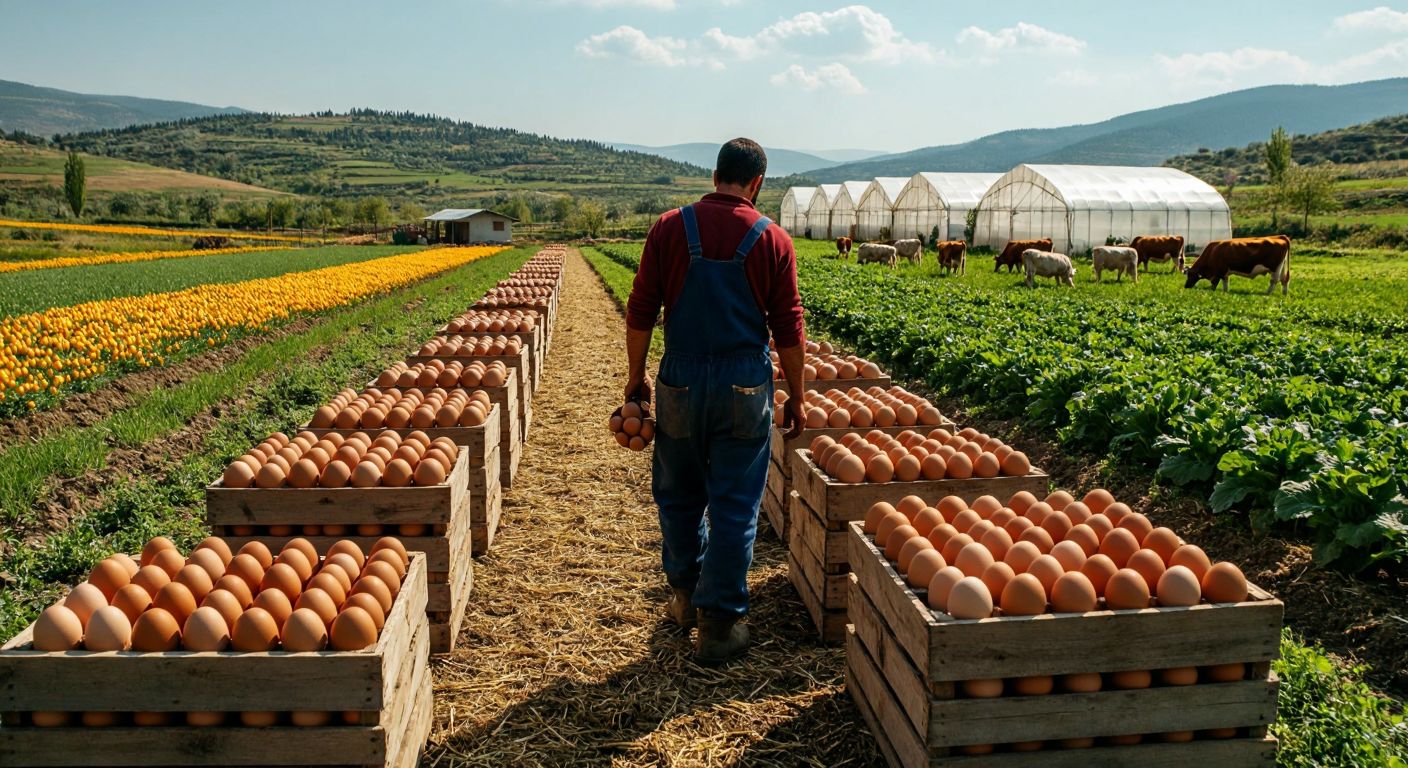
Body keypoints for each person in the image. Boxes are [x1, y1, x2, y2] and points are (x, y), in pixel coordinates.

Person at [624, 138, 806, 665]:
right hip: (745, 385)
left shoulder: (668, 227)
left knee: (678, 494)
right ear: (757, 184)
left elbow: (641, 310)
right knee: (734, 502)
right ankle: (719, 626)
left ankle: (684, 598)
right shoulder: (772, 238)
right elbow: (788, 326)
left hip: (680, 378)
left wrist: (636, 378)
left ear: (714, 175)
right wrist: (797, 394)